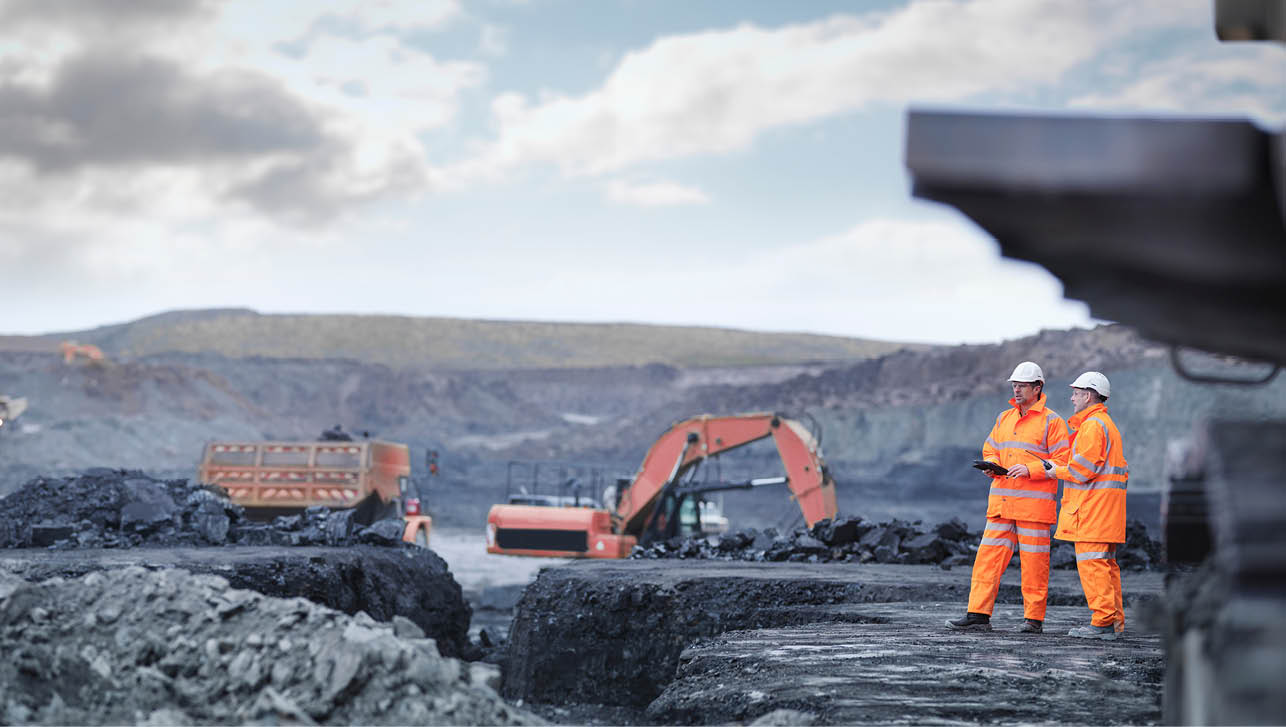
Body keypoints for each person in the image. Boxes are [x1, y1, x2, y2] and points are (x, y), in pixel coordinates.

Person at [947, 361, 1070, 634]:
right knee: (987, 560)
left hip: (1033, 507)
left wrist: (1031, 468)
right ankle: (978, 615)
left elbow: (1063, 462)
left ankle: (1033, 620)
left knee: (1034, 565)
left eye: (1022, 385)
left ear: (1038, 388)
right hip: (1002, 505)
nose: (1016, 389)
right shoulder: (1004, 418)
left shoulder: (1053, 421)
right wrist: (991, 464)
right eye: (1014, 385)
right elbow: (991, 447)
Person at [1039, 371, 1128, 640]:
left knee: (1093, 565)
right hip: (1104, 510)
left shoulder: (1092, 426)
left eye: (1076, 393)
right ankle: (1112, 622)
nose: (1072, 397)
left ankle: (1102, 622)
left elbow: (1083, 470)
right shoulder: (1104, 423)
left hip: (1093, 511)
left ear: (1088, 395)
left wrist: (1056, 470)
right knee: (1106, 566)